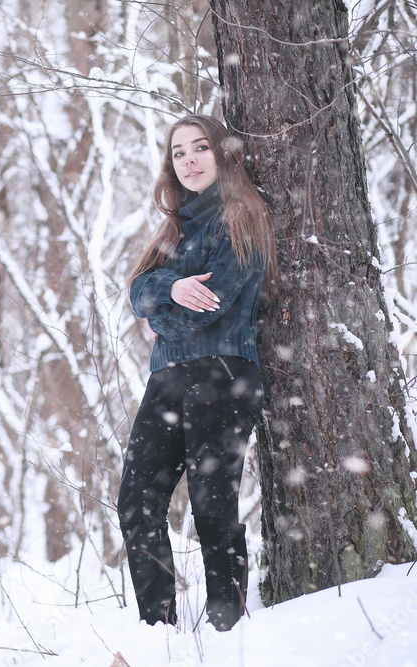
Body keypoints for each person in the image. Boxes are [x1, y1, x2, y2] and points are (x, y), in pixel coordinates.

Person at [118, 114, 278, 631]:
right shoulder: (175, 229)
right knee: (137, 502)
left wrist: (161, 312)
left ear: (221, 154)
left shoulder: (241, 218)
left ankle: (226, 627)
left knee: (213, 506)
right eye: (179, 152)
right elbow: (135, 290)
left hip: (223, 373)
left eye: (200, 148)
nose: (188, 160)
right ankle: (157, 631)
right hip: (167, 377)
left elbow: (206, 308)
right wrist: (167, 288)